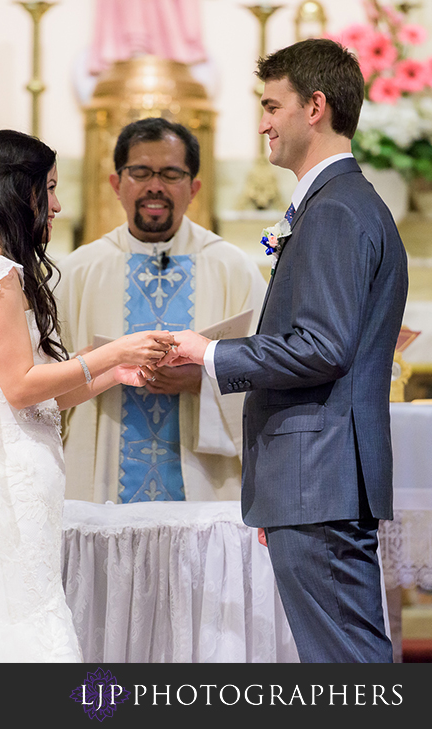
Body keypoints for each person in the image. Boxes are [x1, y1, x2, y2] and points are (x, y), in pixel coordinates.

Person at [160, 38, 408, 662]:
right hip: (316, 479)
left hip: (317, 479)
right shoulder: (345, 204)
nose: (264, 121)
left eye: (273, 105)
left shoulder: (335, 211)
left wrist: (210, 354)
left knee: (348, 665)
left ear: (315, 107)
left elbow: (322, 347)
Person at [0, 129, 174, 662]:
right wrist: (112, 353)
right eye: (49, 187)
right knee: (22, 621)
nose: (58, 204)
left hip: (25, 471)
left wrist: (117, 374)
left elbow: (39, 396)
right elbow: (21, 387)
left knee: (28, 610)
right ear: (20, 194)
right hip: (10, 480)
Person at [58, 117, 266, 504]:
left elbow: (270, 372)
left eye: (171, 173)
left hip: (205, 485)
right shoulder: (79, 270)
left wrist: (202, 380)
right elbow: (41, 379)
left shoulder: (231, 268)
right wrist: (101, 366)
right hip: (99, 483)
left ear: (194, 188)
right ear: (117, 185)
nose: (155, 186)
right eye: (140, 172)